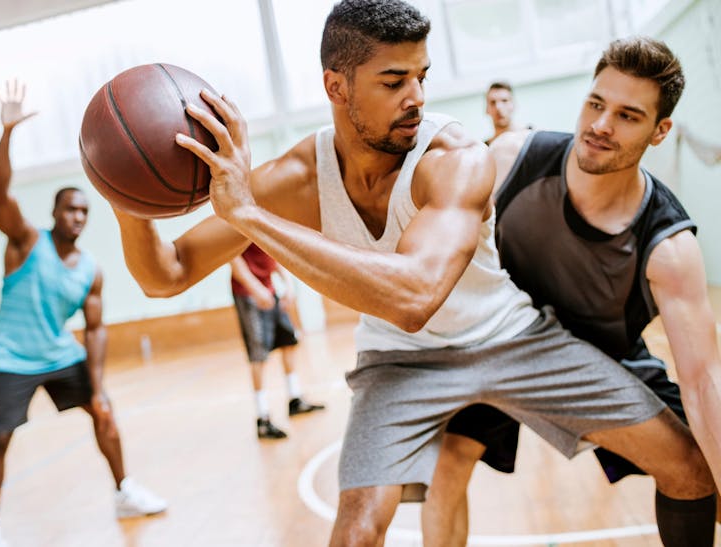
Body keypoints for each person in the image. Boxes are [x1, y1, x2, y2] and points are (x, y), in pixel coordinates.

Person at [109, 2, 715, 545]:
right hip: (399, 362)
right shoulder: (295, 178)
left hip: (508, 338)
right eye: (394, 81)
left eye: (421, 77)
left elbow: (415, 294)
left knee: (690, 469)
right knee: (358, 529)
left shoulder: (452, 158)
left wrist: (247, 215)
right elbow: (166, 275)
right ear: (336, 87)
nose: (417, 98)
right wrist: (124, 193)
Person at [433, 37, 721, 547]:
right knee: (448, 464)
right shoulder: (509, 158)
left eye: (628, 116)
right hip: (499, 341)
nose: (601, 125)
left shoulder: (669, 245)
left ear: (661, 132)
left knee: (697, 472)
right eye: (596, 103)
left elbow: (702, 382)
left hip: (604, 356)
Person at [0, 81, 166, 547]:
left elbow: (96, 330)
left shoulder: (90, 271)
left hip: (60, 354)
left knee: (104, 413)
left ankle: (124, 491)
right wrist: (7, 133)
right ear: (55, 213)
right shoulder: (26, 242)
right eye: (69, 209)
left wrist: (98, 386)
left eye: (84, 211)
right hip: (11, 357)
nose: (77, 217)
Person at [230, 242, 325, 439]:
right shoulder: (235, 222)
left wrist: (288, 285)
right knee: (258, 354)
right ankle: (262, 418)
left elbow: (274, 252)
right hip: (248, 294)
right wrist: (255, 289)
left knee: (289, 342)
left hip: (270, 289)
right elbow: (233, 260)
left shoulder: (265, 215)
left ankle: (294, 400)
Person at [484, 81, 528, 145]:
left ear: (514, 105)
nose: (498, 107)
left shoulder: (531, 137)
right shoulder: (484, 149)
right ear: (486, 110)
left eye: (504, 100)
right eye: (493, 102)